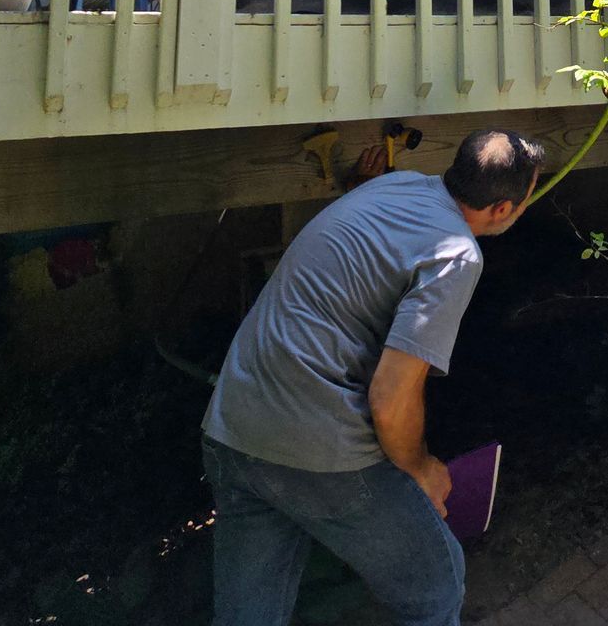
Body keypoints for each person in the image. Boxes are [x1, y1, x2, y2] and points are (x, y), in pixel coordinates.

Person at [201, 128, 549, 626]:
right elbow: (390, 397)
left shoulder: (392, 185)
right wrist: (421, 469)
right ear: (503, 208)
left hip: (233, 426)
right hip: (320, 454)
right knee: (436, 588)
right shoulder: (457, 255)